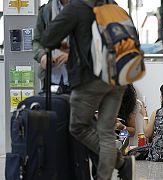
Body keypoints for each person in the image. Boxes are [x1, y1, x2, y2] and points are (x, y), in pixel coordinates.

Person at [40, 0, 135, 180]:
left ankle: (120, 164)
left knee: (78, 127)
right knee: (106, 131)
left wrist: (67, 45)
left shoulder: (77, 7)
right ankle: (116, 168)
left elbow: (47, 38)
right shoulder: (116, 8)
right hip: (119, 76)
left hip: (91, 79)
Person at [33, 0, 71, 94]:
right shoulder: (45, 11)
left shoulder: (84, 9)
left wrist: (72, 56)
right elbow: (37, 41)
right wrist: (42, 56)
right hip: (50, 78)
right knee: (50, 107)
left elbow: (92, 44)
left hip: (77, 79)